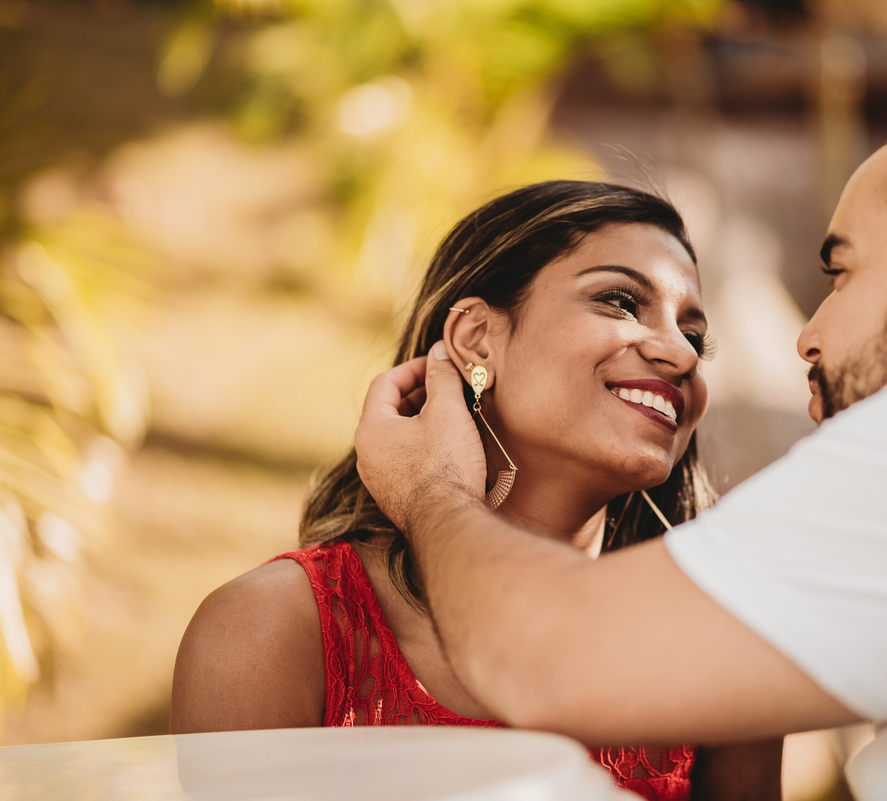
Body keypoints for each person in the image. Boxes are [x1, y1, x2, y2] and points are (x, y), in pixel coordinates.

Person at [351, 95, 887, 800]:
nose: (809, 335)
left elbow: (543, 657)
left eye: (841, 273)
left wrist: (432, 488)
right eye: (619, 301)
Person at [170, 180, 784, 801]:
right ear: (475, 339)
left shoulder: (716, 654)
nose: (680, 354)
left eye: (696, 336)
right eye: (621, 301)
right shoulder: (274, 630)